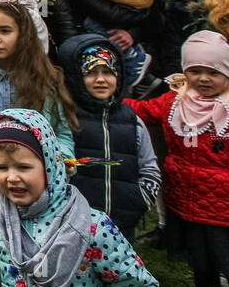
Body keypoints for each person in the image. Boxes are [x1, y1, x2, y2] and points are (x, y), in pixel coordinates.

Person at [0, 109, 158, 287]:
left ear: (50, 166)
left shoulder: (92, 226)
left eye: (23, 167)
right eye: (2, 168)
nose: (11, 177)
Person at [131, 31, 229, 287]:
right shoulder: (174, 104)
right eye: (195, 71)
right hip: (187, 206)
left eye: (213, 72)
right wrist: (101, 100)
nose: (204, 79)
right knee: (201, 264)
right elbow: (141, 111)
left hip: (228, 213)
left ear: (228, 74)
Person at [58, 34, 160, 242]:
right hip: (73, 226)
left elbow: (149, 166)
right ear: (76, 77)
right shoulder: (65, 118)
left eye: (108, 72)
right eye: (91, 73)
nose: (101, 79)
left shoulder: (131, 120)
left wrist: (140, 199)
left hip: (122, 224)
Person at [0, 0, 78, 158]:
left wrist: (61, 160)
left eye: (5, 31)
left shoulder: (44, 78)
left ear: (23, 34)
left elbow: (61, 133)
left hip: (31, 174)